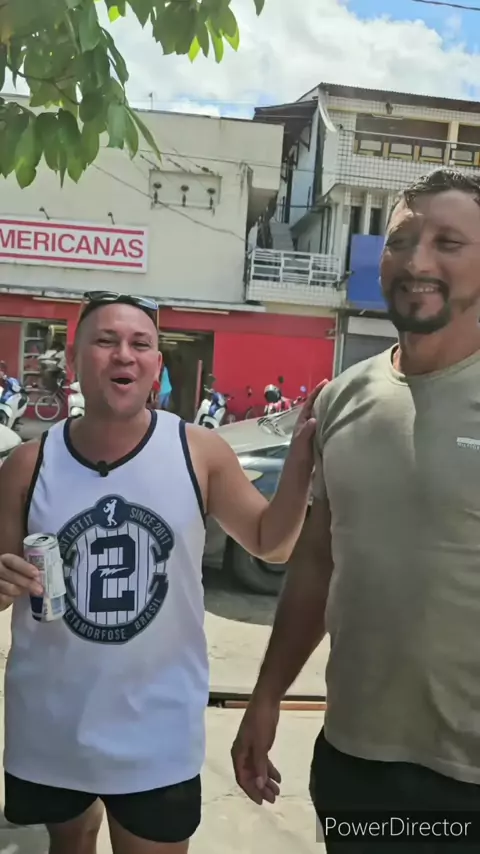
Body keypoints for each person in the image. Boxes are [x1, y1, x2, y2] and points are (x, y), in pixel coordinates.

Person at [0, 289, 324, 854]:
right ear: (75, 358)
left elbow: (271, 543)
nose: (123, 354)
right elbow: (5, 584)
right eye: (105, 341)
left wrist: (300, 462)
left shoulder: (199, 452)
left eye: (140, 343)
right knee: (68, 842)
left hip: (157, 730)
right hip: (50, 727)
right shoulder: (29, 464)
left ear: (156, 365)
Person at [231, 167, 480, 852]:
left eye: (449, 243)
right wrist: (268, 693)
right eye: (401, 240)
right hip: (354, 760)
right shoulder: (341, 398)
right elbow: (318, 559)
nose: (417, 261)